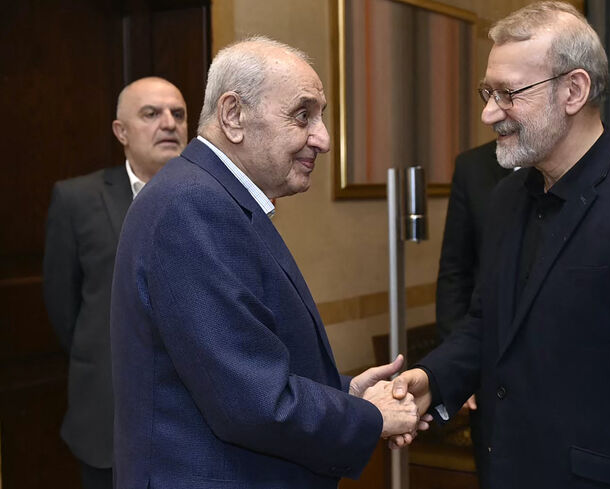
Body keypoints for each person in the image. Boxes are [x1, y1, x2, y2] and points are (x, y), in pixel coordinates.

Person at [390, 2, 610, 488]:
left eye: (508, 93)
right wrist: (432, 380)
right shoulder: (506, 198)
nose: (488, 113)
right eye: (487, 92)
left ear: (574, 90)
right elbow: (487, 325)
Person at [110, 37, 422, 488]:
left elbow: (244, 361)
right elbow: (254, 403)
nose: (323, 139)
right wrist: (370, 415)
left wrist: (346, 393)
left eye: (321, 116)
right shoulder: (194, 206)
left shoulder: (211, 195)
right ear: (233, 115)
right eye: (302, 115)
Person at [42, 76, 188, 489]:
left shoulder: (207, 197)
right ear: (121, 131)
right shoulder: (77, 199)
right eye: (151, 113)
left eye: (178, 114)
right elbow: (64, 308)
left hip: (191, 424)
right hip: (106, 419)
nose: (169, 123)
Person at [435, 140, 509, 481]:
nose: (489, 115)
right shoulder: (473, 167)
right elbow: (456, 271)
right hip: (489, 369)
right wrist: (458, 371)